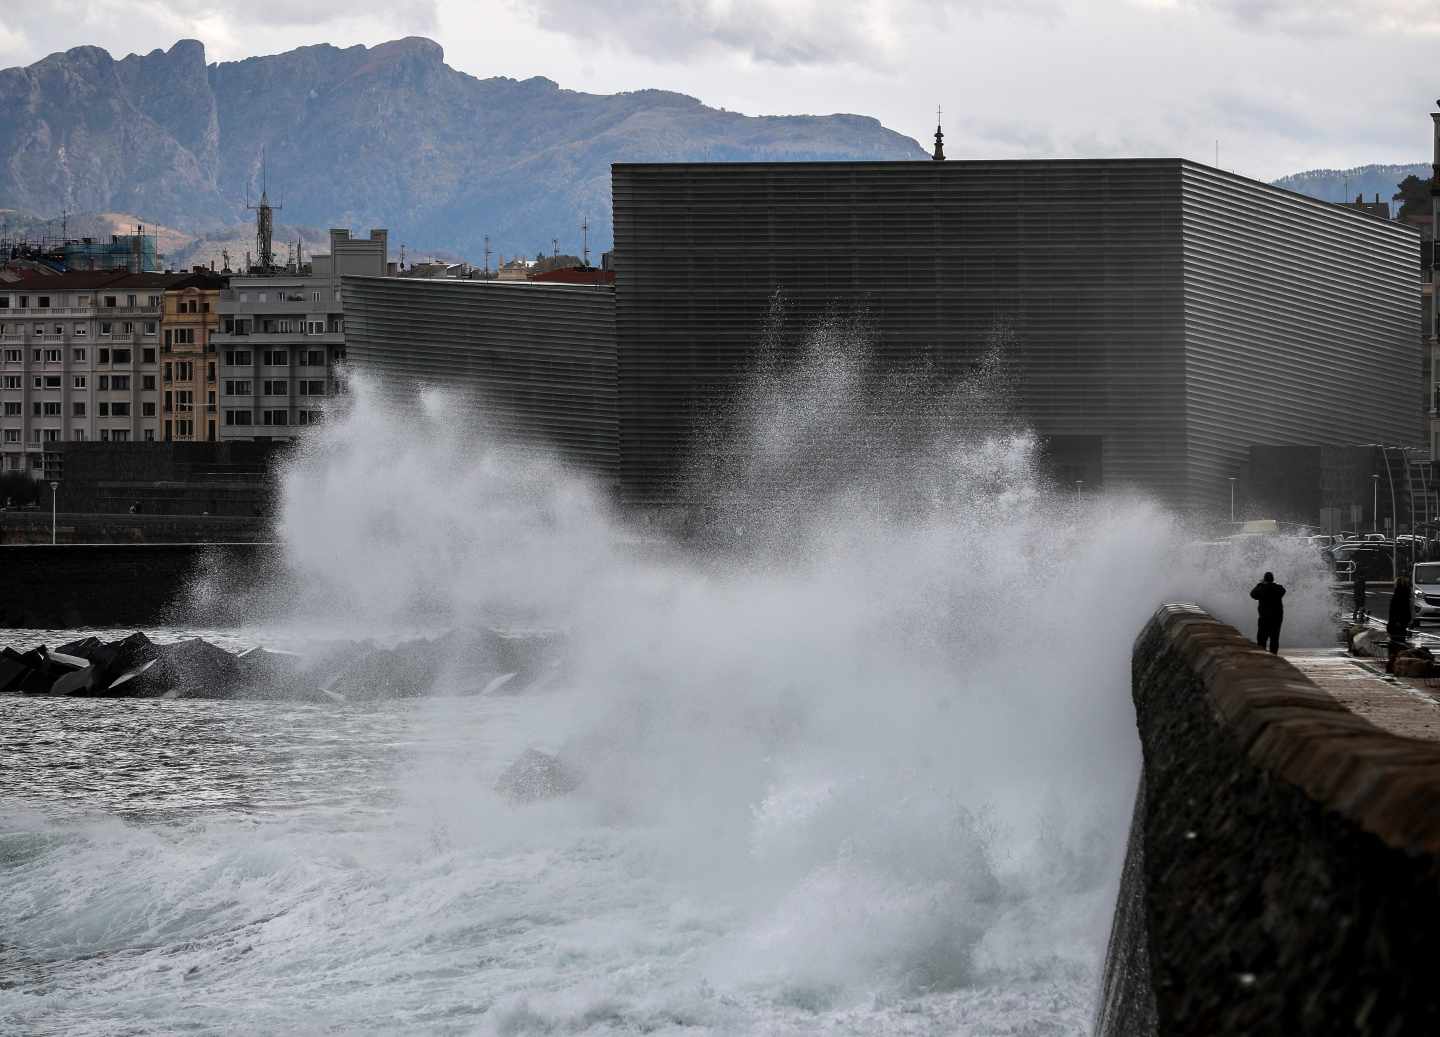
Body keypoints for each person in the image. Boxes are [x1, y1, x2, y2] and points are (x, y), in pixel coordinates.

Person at [1250, 571, 1286, 654]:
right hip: (1277, 617)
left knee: (1262, 639)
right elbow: (1283, 591)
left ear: (1265, 579)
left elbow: (1252, 594)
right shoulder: (1279, 588)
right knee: (1274, 638)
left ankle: (1262, 657)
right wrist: (1273, 584)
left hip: (1264, 617)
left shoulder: (1261, 588)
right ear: (1273, 579)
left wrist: (1260, 584)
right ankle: (1274, 656)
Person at [1387, 575, 1414, 673]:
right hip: (1401, 625)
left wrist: (1394, 622)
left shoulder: (1397, 596)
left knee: (1394, 646)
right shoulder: (1406, 596)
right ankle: (1396, 665)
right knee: (1399, 646)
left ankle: (1392, 666)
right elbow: (1407, 612)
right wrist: (1407, 621)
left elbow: (1393, 612)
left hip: (1395, 625)